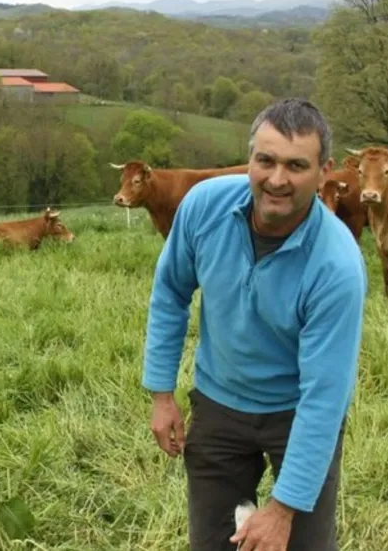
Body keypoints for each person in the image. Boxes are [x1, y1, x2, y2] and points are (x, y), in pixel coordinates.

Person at [142, 98, 367, 551]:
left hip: (296, 414)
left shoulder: (337, 265)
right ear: (250, 159)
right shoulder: (203, 208)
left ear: (324, 172)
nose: (277, 179)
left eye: (297, 165)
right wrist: (162, 393)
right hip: (219, 403)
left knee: (304, 545)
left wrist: (283, 509)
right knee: (212, 544)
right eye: (265, 160)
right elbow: (170, 292)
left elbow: (325, 396)